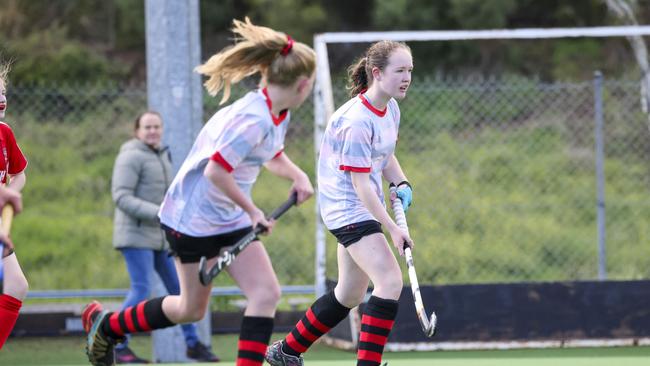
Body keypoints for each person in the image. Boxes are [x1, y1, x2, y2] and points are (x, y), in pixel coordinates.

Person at [82, 17, 315, 366]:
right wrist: (253, 212)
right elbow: (216, 171)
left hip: (225, 216)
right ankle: (108, 325)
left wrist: (297, 176)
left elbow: (268, 154)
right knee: (190, 309)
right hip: (189, 221)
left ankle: (109, 326)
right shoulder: (253, 120)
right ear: (302, 84)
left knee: (265, 293)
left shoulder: (275, 112)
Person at [265, 40, 415, 366]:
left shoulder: (390, 108)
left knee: (348, 294)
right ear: (377, 73)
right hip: (348, 208)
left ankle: (285, 351)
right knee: (389, 281)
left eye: (410, 71)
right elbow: (361, 185)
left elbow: (386, 156)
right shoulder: (356, 121)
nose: (406, 78)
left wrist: (401, 182)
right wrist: (391, 228)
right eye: (399, 70)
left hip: (361, 204)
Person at [110, 111, 219, 363]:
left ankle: (193, 344)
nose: (152, 131)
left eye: (156, 127)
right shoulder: (131, 156)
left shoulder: (161, 154)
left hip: (160, 237)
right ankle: (116, 340)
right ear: (137, 130)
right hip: (135, 235)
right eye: (147, 127)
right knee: (141, 289)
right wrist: (159, 213)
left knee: (180, 290)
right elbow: (121, 196)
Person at [0, 60, 29, 351]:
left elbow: (19, 174)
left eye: (3, 94)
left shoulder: (4, 133)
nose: (1, 100)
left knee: (17, 285)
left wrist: (9, 193)